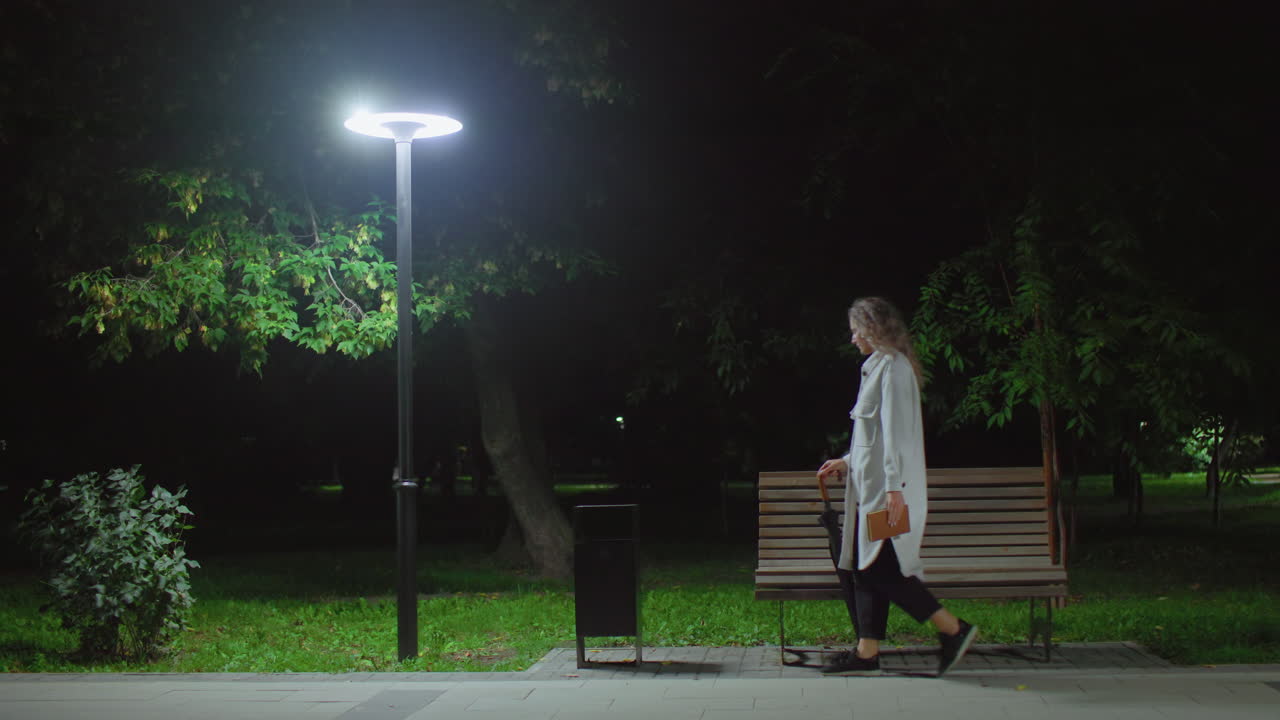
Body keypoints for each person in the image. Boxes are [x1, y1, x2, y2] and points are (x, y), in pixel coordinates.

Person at [816, 296, 978, 677]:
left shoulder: (894, 370)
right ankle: (867, 652)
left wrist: (892, 491)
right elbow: (872, 438)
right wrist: (848, 461)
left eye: (857, 331)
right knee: (866, 566)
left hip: (890, 495)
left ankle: (953, 629)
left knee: (881, 570)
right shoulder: (876, 369)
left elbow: (897, 439)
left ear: (872, 329)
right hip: (875, 493)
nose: (853, 338)